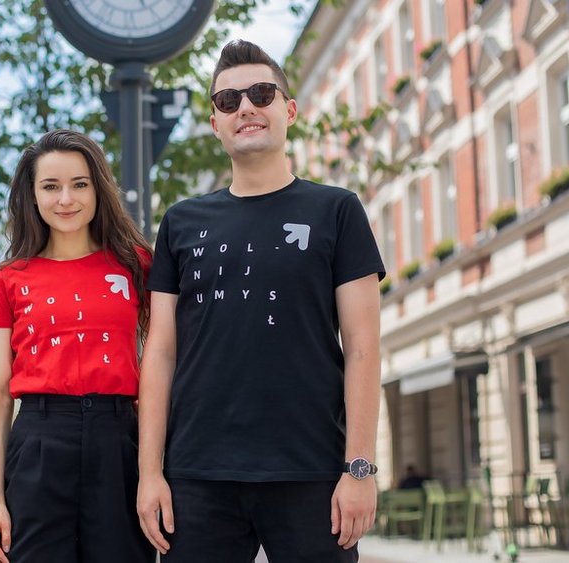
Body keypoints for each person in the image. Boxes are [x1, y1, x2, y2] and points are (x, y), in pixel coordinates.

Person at [136, 40, 386, 563]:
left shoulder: (337, 211)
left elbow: (363, 348)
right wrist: (150, 473)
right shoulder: (180, 223)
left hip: (312, 471)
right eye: (228, 101)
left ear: (288, 110)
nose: (245, 107)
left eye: (261, 93)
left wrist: (359, 469)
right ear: (214, 123)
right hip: (196, 475)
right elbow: (159, 353)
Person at [0, 129, 155, 563]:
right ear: (32, 196)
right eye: (51, 186)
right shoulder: (6, 279)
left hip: (118, 440)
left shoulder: (136, 264)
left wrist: (154, 471)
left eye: (79, 184)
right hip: (38, 438)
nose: (66, 199)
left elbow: (161, 366)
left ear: (98, 189)